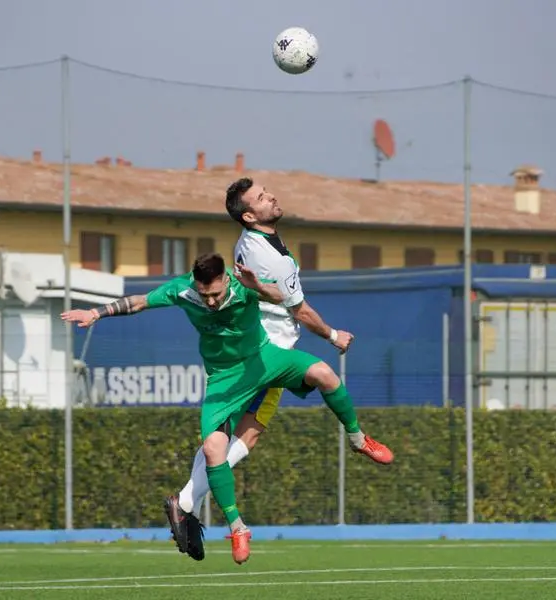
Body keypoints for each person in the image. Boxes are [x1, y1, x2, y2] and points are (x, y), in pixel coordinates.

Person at [61, 253, 392, 565]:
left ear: (224, 279)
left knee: (323, 373)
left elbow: (285, 299)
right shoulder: (183, 290)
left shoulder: (242, 287)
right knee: (213, 447)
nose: (210, 301)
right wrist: (96, 313)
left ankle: (358, 439)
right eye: (205, 295)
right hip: (222, 379)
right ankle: (237, 527)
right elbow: (140, 302)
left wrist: (257, 285)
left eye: (215, 294)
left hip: (265, 360)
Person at [164, 176, 393, 562]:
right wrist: (333, 334)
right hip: (267, 353)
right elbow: (298, 309)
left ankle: (186, 502)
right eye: (260, 198)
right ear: (250, 215)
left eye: (266, 191)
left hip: (258, 350)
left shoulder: (260, 243)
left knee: (224, 440)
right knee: (246, 436)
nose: (271, 196)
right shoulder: (271, 256)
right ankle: (185, 502)